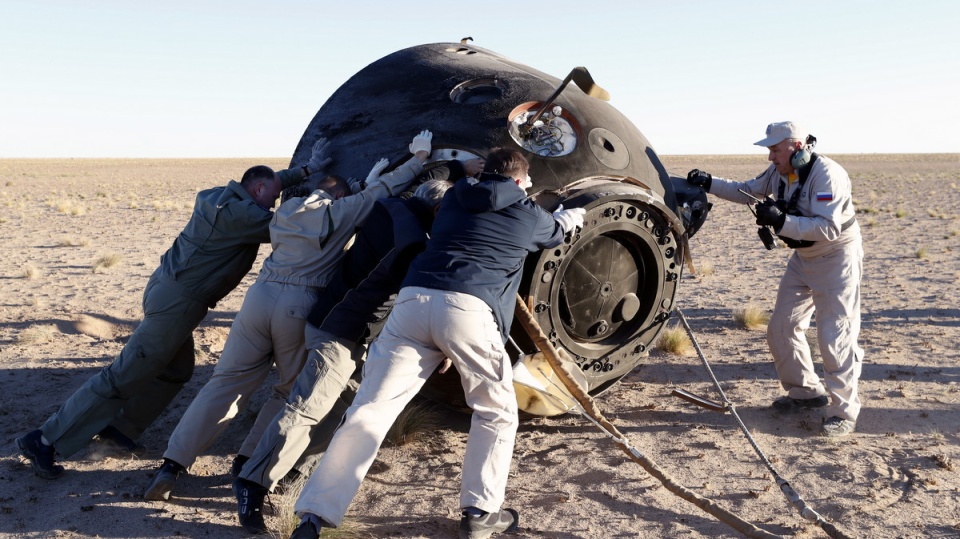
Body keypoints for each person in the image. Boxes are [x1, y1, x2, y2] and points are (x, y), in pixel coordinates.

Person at [286, 148, 586, 539]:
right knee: (496, 410)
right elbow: (555, 231)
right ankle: (481, 513)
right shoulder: (527, 214)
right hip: (469, 309)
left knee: (371, 410)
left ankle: (313, 516)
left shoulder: (456, 199)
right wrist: (571, 216)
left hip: (413, 302)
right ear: (518, 181)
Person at [15, 140, 335, 479]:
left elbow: (267, 183)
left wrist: (303, 171)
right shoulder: (241, 216)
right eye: (271, 198)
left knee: (175, 369)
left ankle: (118, 431)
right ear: (255, 190)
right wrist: (329, 197)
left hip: (165, 290)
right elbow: (294, 227)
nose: (274, 203)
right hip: (177, 304)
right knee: (121, 376)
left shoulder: (217, 195)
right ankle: (45, 439)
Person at [141, 131, 435, 500]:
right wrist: (419, 158)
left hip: (259, 299)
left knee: (225, 382)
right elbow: (382, 191)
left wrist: (342, 183)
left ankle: (172, 465)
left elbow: (340, 193)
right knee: (288, 391)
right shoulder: (341, 213)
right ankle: (249, 461)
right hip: (299, 304)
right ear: (341, 196)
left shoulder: (284, 211)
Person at [233, 167, 476, 533]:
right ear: (439, 210)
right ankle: (252, 484)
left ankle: (296, 472)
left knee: (345, 406)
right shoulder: (412, 242)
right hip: (340, 330)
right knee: (307, 408)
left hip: (351, 329)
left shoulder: (391, 206)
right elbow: (420, 296)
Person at [686, 121, 863, 437]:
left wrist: (783, 221)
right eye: (769, 150)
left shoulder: (827, 175)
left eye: (775, 149)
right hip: (803, 258)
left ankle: (843, 413)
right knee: (781, 326)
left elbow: (828, 228)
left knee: (835, 335)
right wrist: (710, 182)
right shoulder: (779, 173)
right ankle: (806, 393)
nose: (770, 157)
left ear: (795, 147)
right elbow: (747, 191)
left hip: (835, 259)